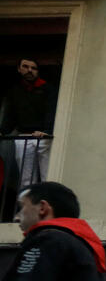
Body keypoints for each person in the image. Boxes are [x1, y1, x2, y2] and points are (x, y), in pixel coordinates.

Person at [1, 58, 56, 187]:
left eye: (33, 68)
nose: (30, 70)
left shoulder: (47, 89)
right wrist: (3, 131)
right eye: (25, 67)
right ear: (19, 69)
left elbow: (51, 111)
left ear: (38, 72)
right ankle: (30, 206)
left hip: (43, 136)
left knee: (47, 176)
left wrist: (47, 131)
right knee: (26, 179)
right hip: (23, 136)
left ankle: (48, 204)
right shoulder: (15, 90)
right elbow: (11, 115)